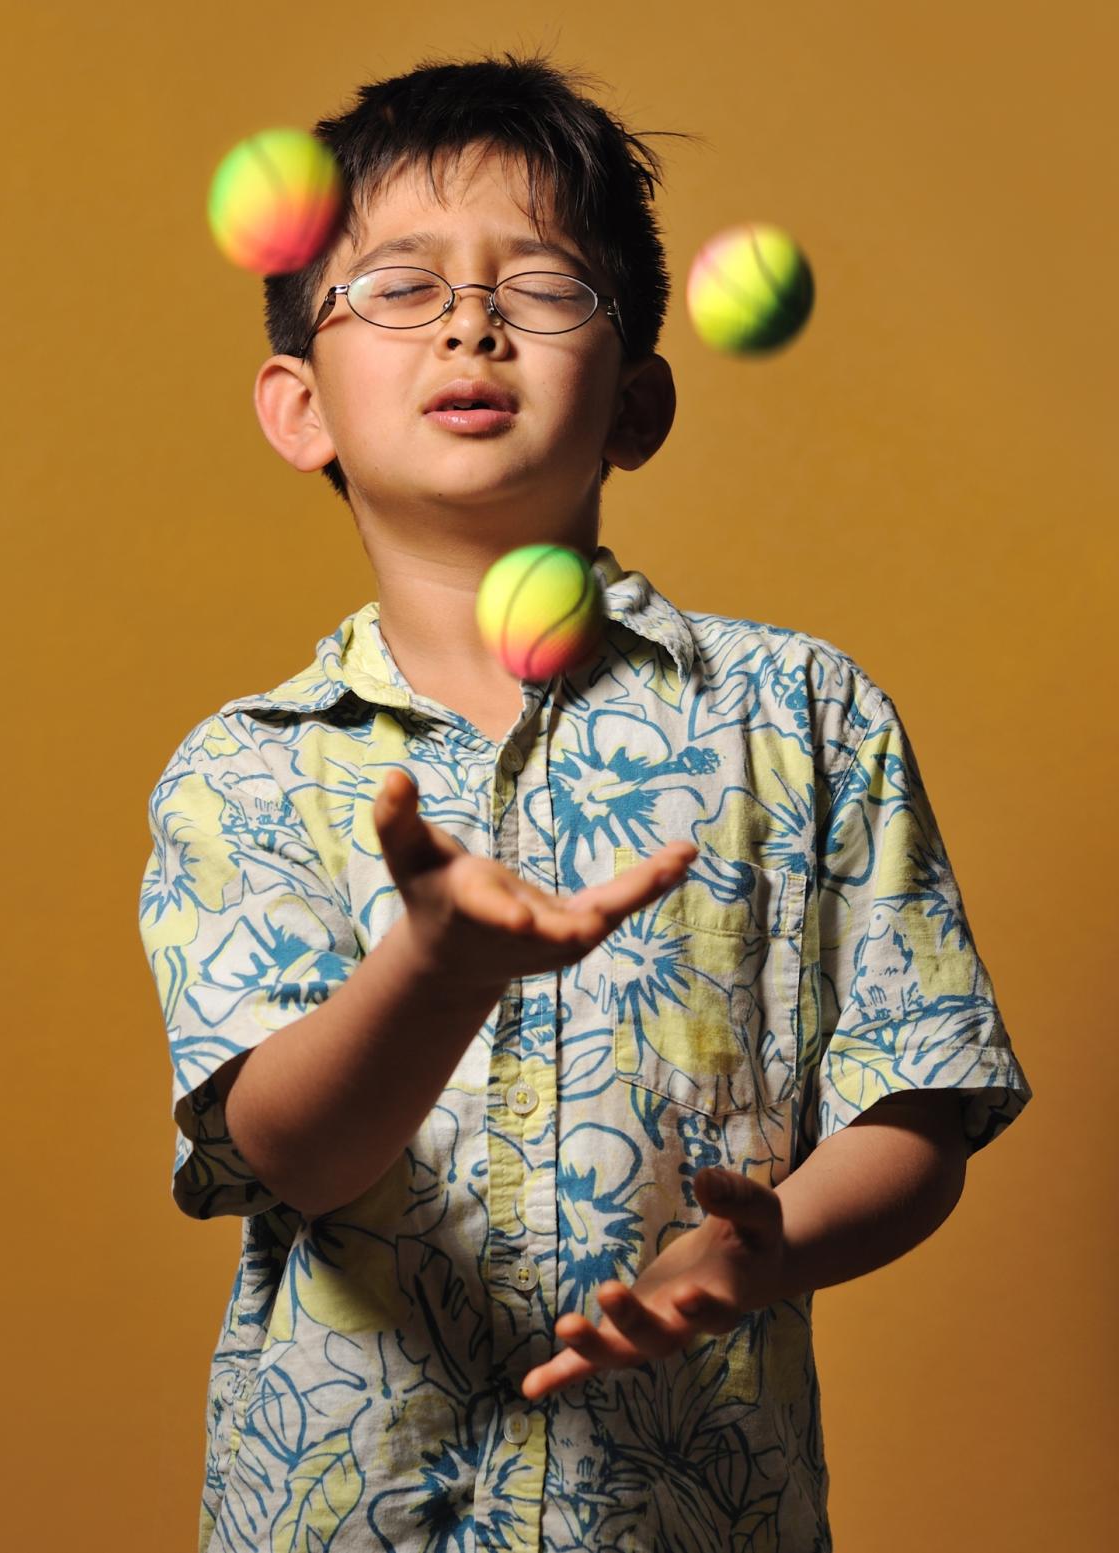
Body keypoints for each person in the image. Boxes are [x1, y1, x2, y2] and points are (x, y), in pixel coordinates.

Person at [138, 49, 1032, 1553]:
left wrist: (769, 1251)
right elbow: (286, 1146)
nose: (475, 319)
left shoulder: (802, 717)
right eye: (402, 286)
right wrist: (436, 968)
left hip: (690, 1514)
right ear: (299, 405)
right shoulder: (243, 769)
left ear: (638, 402)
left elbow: (921, 1096)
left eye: (543, 287)